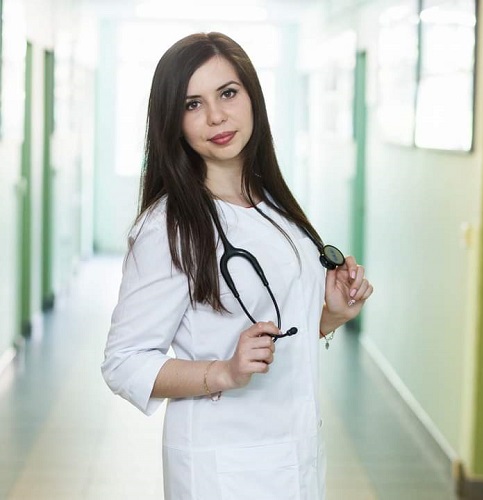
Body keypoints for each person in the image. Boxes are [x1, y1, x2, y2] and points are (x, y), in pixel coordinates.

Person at [102, 32, 373, 500]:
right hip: (221, 469)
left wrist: (328, 314)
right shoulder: (169, 226)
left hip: (296, 456)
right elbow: (123, 363)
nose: (216, 116)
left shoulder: (275, 205)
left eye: (227, 93)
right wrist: (224, 371)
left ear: (252, 97)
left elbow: (275, 330)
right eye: (192, 104)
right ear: (173, 121)